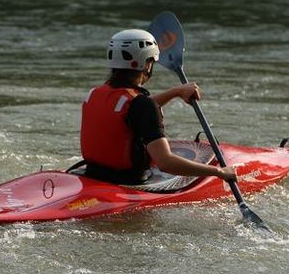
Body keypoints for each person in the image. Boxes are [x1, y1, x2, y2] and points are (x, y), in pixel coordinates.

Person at [80, 29, 238, 185]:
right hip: (126, 182)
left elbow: (133, 111)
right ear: (147, 65)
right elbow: (165, 163)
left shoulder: (94, 94)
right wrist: (218, 172)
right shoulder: (142, 105)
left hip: (91, 175)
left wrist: (176, 92)